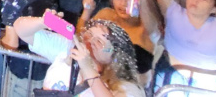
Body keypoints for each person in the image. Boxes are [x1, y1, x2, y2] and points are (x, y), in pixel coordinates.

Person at [13, 14, 145, 97]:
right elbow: (21, 29)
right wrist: (44, 21)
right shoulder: (68, 49)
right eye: (89, 34)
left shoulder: (127, 87)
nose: (90, 42)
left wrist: (88, 70)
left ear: (116, 55)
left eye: (99, 41)